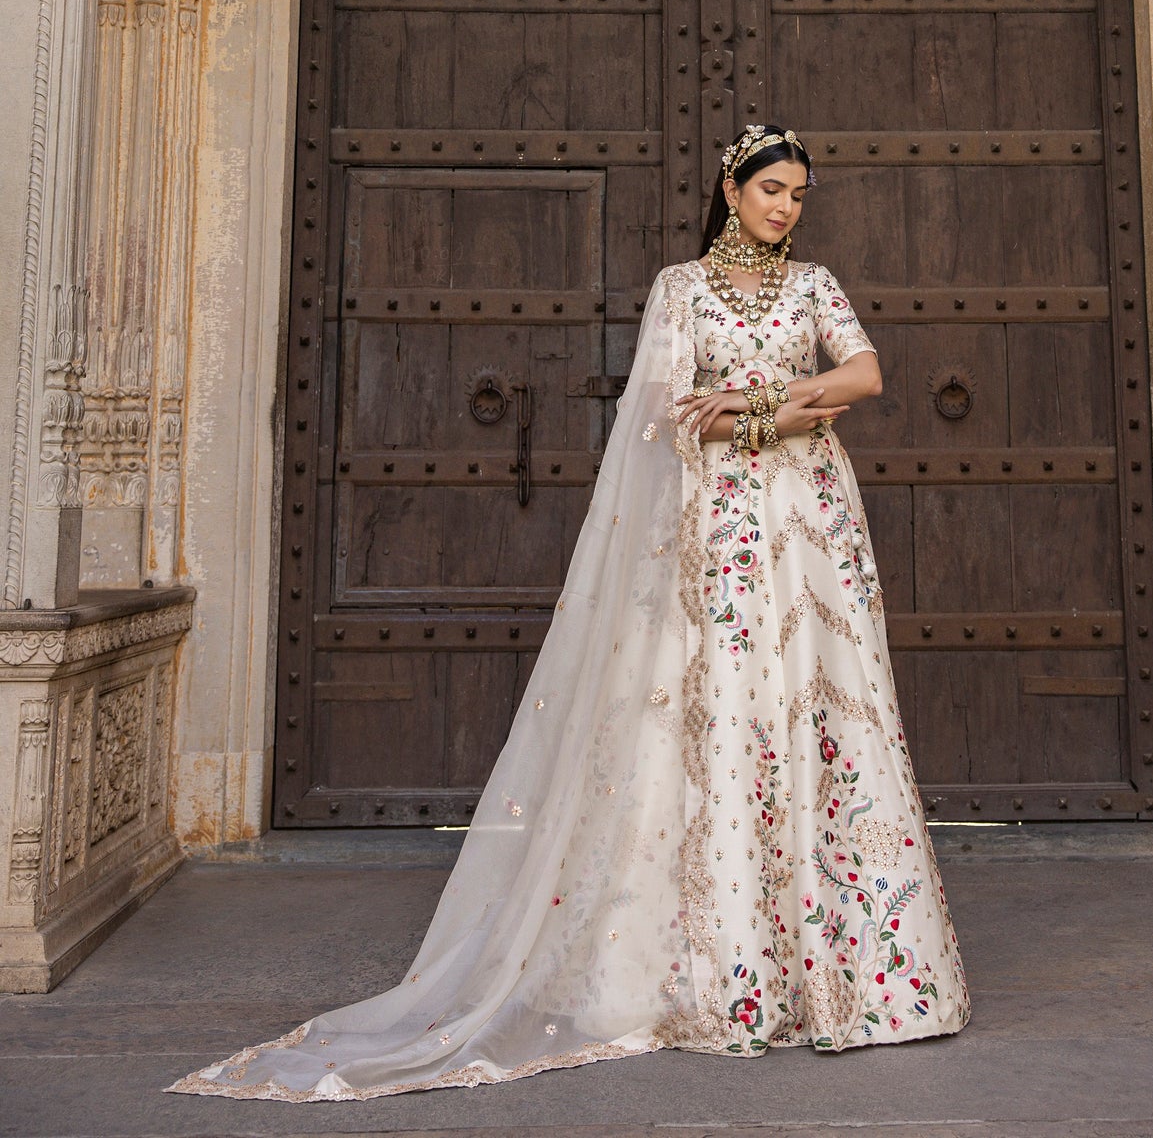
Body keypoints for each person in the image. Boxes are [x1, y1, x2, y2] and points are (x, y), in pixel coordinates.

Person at [173, 124, 968, 1102]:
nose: (784, 207)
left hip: (810, 527)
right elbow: (670, 411)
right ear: (729, 189)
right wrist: (788, 409)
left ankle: (850, 972)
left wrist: (756, 404)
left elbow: (864, 376)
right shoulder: (682, 288)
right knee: (722, 713)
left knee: (820, 704)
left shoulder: (814, 285)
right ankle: (722, 969)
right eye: (770, 189)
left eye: (798, 194)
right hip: (717, 527)